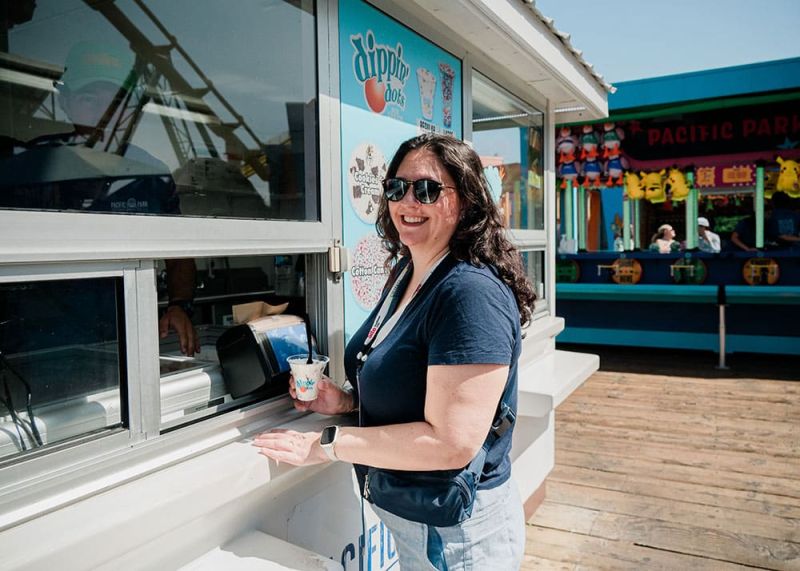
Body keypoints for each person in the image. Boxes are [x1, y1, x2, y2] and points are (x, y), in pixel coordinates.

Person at [253, 134, 535, 569]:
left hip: (457, 534)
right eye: (396, 188)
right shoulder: (409, 271)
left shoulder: (470, 294)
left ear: (465, 200)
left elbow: (450, 444)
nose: (407, 201)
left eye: (427, 190)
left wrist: (327, 444)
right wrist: (346, 401)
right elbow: (415, 386)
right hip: (419, 521)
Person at [0, 41, 199, 355]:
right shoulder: (29, 167)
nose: (104, 112)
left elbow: (179, 253)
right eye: (88, 98)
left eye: (114, 99)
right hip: (42, 347)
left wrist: (179, 305)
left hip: (130, 345)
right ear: (65, 101)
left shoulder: (151, 175)